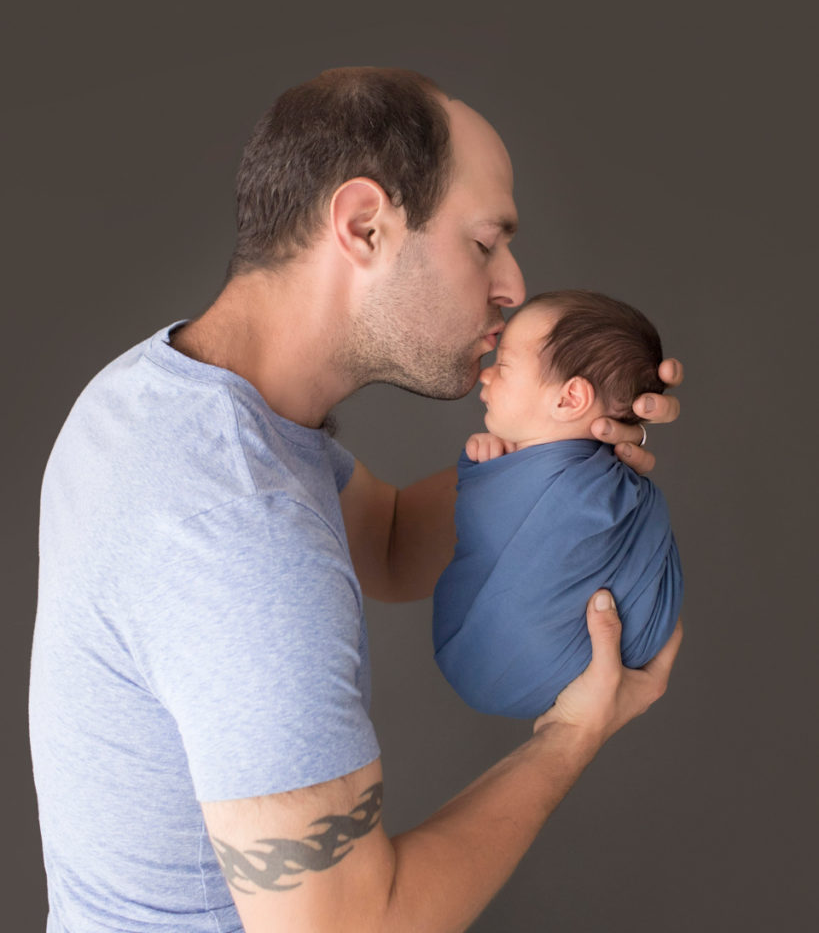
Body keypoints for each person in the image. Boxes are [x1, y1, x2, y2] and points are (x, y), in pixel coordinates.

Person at [29, 67, 683, 933]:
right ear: (364, 224)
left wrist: (553, 464)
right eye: (486, 242)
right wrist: (572, 735)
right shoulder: (239, 529)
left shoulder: (158, 396)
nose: (513, 285)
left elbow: (392, 542)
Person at [434, 290, 684, 718]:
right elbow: (492, 528)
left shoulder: (596, 488)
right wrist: (492, 473)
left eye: (504, 368)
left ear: (569, 399)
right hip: (578, 668)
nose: (485, 377)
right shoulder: (557, 472)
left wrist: (494, 473)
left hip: (522, 658)